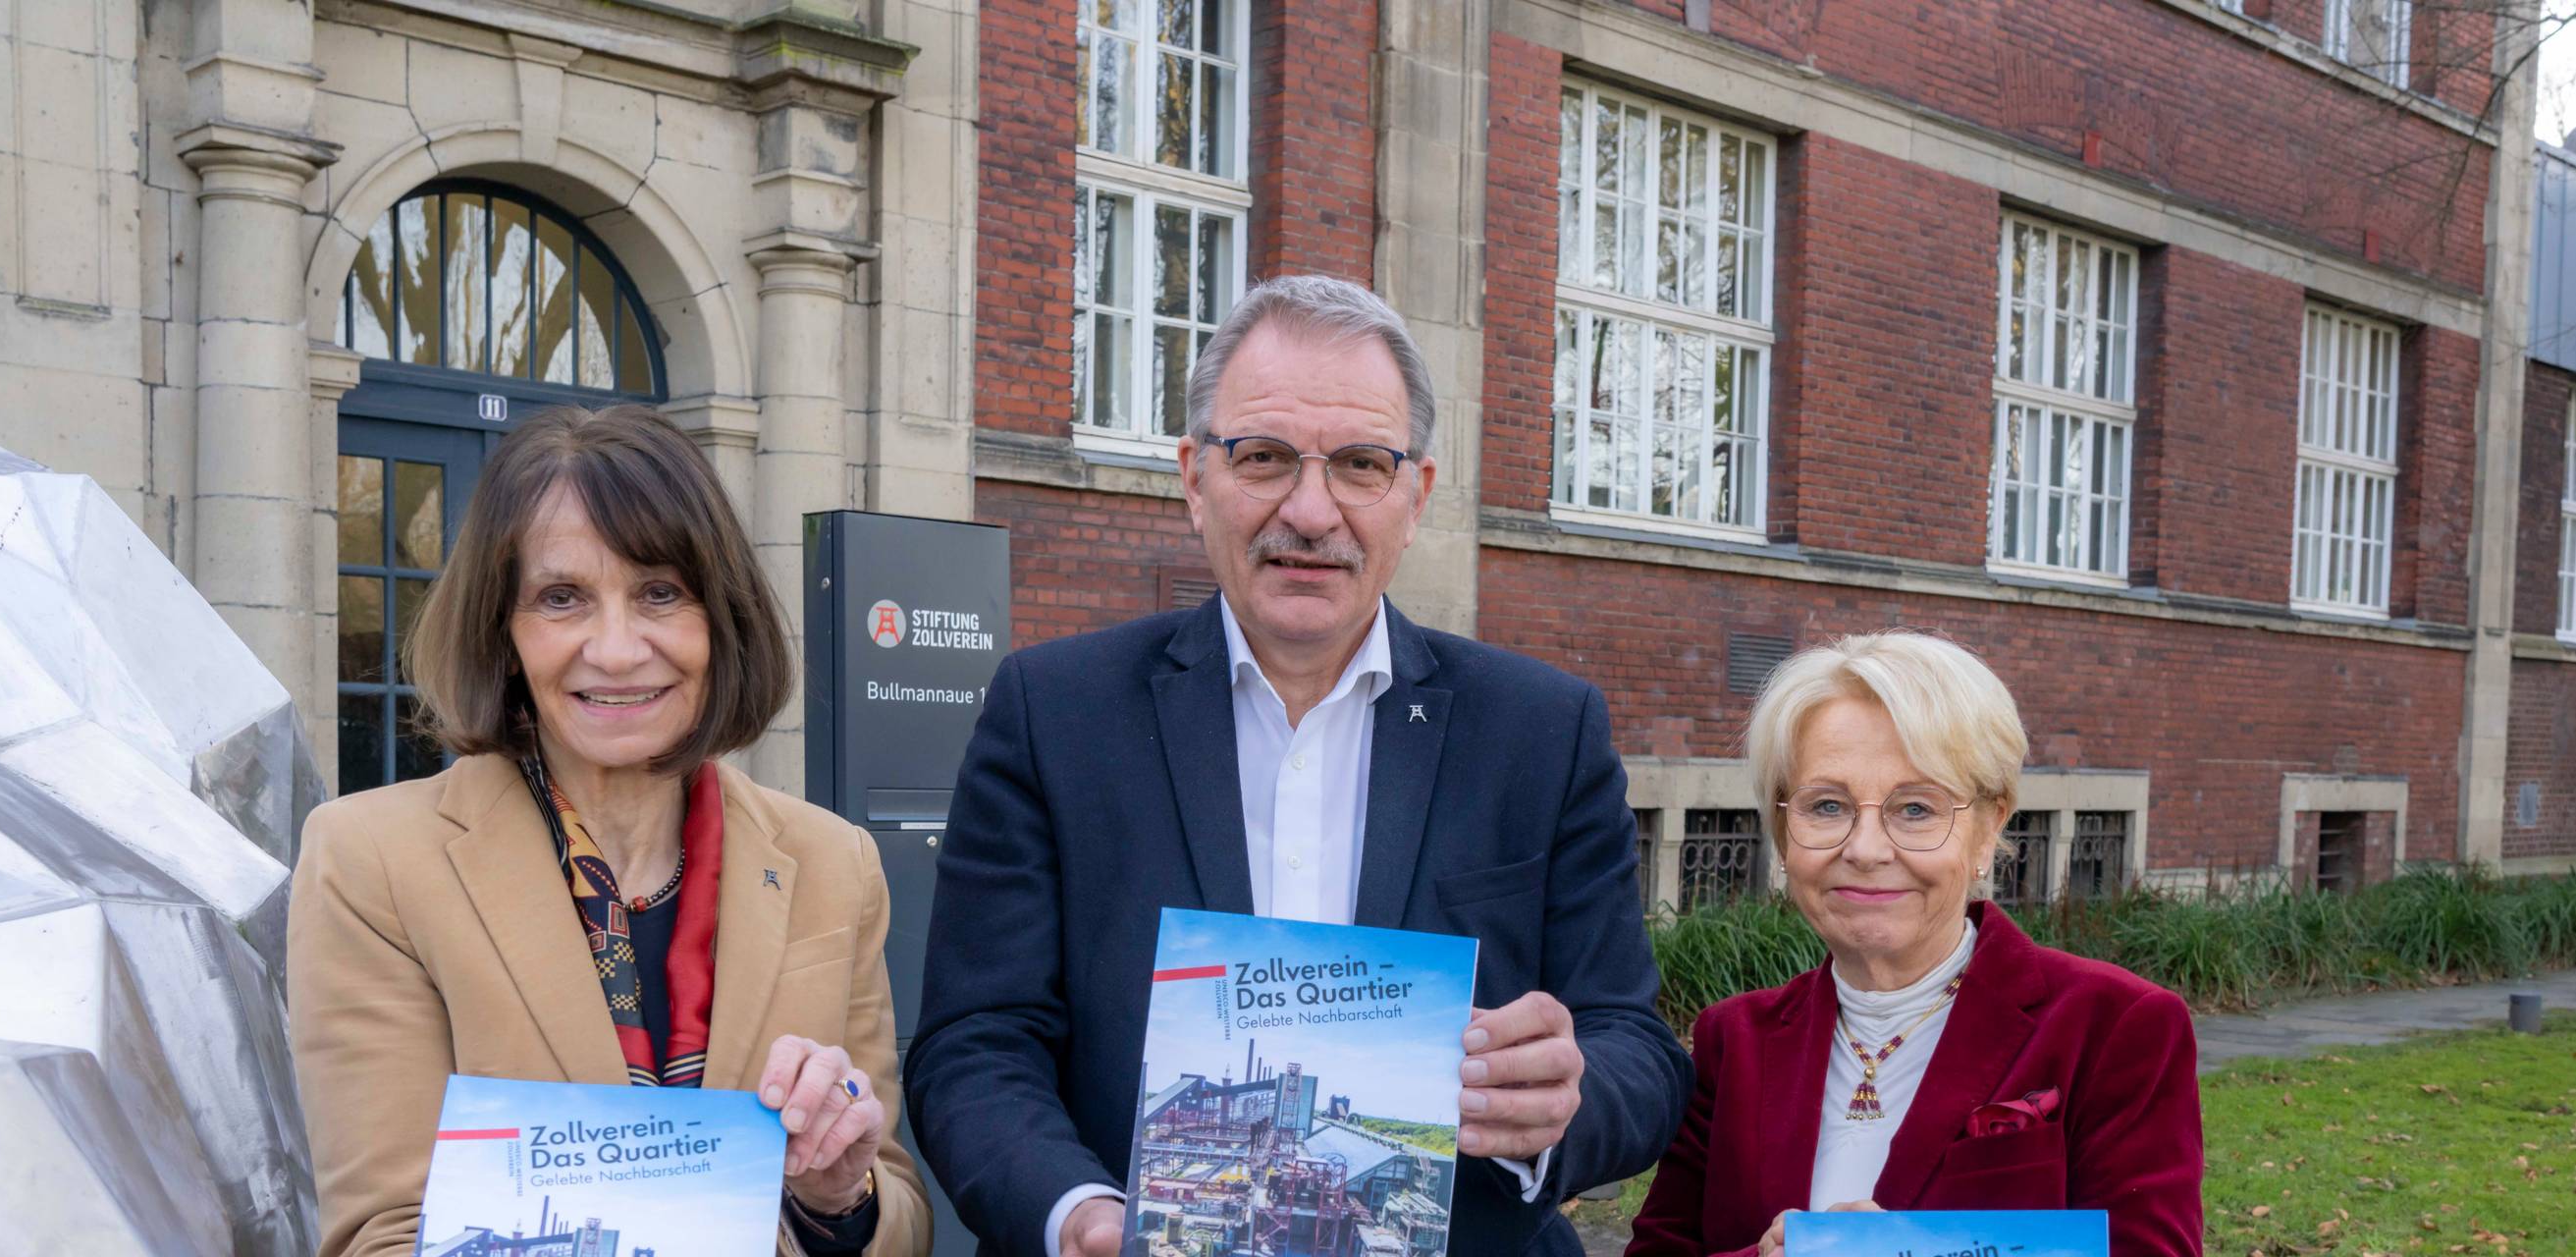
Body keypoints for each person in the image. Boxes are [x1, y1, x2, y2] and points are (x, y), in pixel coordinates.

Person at [904, 275, 1691, 1257]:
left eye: (1362, 463)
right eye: (1266, 457)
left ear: (1416, 494)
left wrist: (1560, 1102)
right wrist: (1080, 1216)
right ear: (1196, 477)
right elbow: (976, 1044)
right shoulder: (1053, 712)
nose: (1311, 511)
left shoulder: (1542, 730)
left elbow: (1635, 1048)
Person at [288, 405, 930, 1257]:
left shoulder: (830, 861)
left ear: (720, 619)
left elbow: (897, 1211)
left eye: (660, 592)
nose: (618, 650)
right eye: (562, 599)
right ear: (505, 634)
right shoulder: (373, 862)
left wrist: (835, 1196)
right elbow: (385, 1234)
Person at [1622, 631, 2203, 1257]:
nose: (1866, 849)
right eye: (1826, 805)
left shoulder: (2115, 1026)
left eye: (1917, 809)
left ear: (1988, 829)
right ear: (1784, 833)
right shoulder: (1732, 1042)